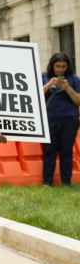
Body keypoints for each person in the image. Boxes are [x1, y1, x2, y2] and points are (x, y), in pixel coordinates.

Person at [41, 52, 80, 186]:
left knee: (66, 152)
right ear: (52, 66)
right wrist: (48, 85)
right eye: (57, 66)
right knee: (49, 152)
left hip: (69, 120)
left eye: (63, 66)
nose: (60, 69)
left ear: (68, 67)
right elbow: (35, 98)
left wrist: (67, 88)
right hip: (49, 120)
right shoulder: (44, 77)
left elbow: (78, 101)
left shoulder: (74, 79)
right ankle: (47, 183)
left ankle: (66, 182)